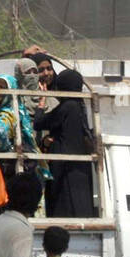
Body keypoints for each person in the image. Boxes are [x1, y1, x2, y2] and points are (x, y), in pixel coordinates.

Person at [36, 69, 97, 217]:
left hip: (64, 166)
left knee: (63, 206)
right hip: (79, 167)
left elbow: (38, 123)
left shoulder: (67, 106)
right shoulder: (80, 107)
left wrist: (42, 101)